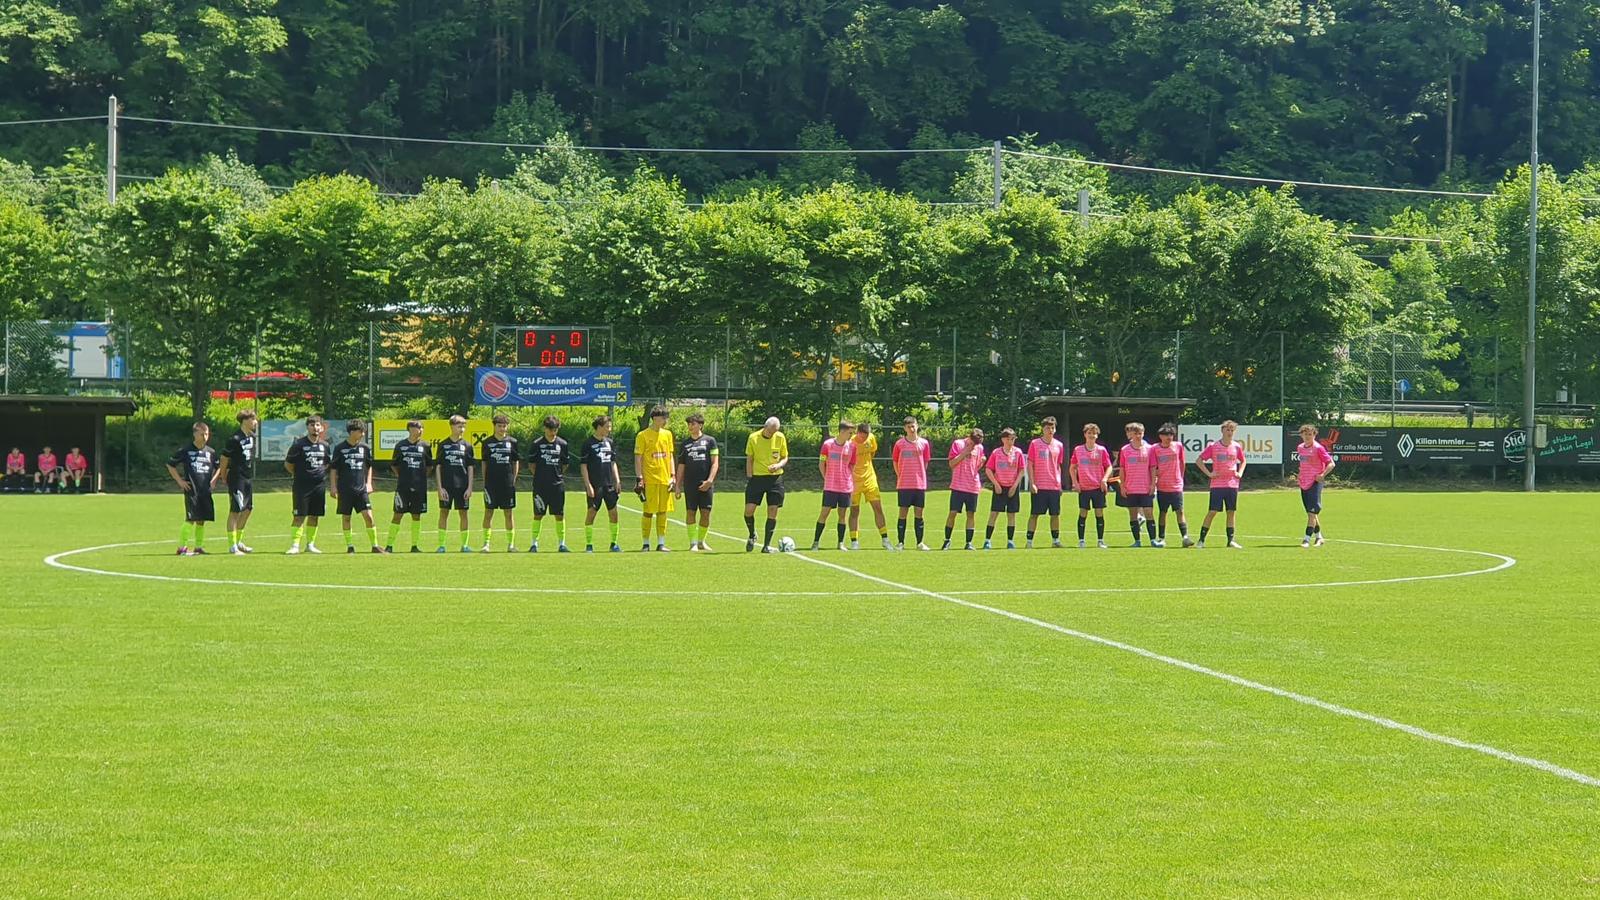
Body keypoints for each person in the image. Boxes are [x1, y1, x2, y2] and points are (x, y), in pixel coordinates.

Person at [166, 422, 220, 555]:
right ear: (195, 434)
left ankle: (199, 546)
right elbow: (170, 464)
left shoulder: (211, 452)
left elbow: (219, 467)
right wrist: (180, 481)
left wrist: (214, 480)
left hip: (205, 490)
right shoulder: (186, 450)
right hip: (192, 489)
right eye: (202, 434)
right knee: (191, 518)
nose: (205, 436)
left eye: (207, 434)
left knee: (202, 519)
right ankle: (182, 547)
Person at [330, 419, 382, 553]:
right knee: (346, 517)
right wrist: (333, 487)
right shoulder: (340, 448)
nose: (363, 434)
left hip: (361, 490)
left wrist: (369, 483)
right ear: (352, 432)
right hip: (345, 489)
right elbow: (334, 469)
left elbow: (369, 466)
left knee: (369, 517)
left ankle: (375, 545)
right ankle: (350, 546)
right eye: (361, 431)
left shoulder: (365, 448)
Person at [1196, 419, 1247, 549]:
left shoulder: (1236, 446)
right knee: (1212, 512)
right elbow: (1199, 460)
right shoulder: (1214, 446)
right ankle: (1201, 540)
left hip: (1232, 484)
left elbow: (1243, 461)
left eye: (1232, 430)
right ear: (1222, 431)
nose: (1229, 432)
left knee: (1231, 512)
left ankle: (1230, 541)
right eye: (1227, 429)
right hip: (1217, 485)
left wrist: (1239, 472)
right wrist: (1209, 474)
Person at [284, 416, 331, 555]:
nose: (315, 428)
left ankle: (310, 544)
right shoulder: (299, 444)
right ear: (307, 427)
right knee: (299, 516)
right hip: (301, 486)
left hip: (319, 486)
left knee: (314, 515)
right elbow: (288, 464)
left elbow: (327, 463)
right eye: (312, 425)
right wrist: (299, 474)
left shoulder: (325, 445)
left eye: (317, 425)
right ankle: (295, 545)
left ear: (321, 427)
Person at [743, 416, 788, 553]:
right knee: (748, 511)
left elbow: (785, 457)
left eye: (775, 431)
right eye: (770, 431)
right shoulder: (753, 438)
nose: (772, 434)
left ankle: (766, 545)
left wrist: (778, 465)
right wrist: (750, 476)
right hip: (757, 479)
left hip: (775, 479)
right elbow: (749, 458)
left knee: (773, 511)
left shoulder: (780, 437)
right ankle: (752, 534)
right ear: (765, 427)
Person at [634, 406, 676, 551]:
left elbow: (670, 456)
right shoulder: (642, 435)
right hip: (649, 479)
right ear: (655, 418)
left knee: (662, 511)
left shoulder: (668, 435)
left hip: (664, 479)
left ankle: (661, 543)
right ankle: (645, 543)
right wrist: (639, 478)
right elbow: (638, 458)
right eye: (663, 418)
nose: (665, 421)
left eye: (666, 418)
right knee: (648, 511)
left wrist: (673, 476)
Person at [676, 412, 719, 551]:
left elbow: (715, 463)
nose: (690, 426)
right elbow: (681, 465)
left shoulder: (710, 441)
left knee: (706, 512)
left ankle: (701, 541)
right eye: (688, 424)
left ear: (700, 425)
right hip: (690, 484)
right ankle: (693, 542)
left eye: (693, 424)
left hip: (706, 483)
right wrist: (678, 485)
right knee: (690, 512)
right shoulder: (685, 444)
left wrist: (710, 481)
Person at [385, 420, 431, 553]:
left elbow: (429, 466)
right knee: (397, 514)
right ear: (410, 429)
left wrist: (421, 477)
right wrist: (402, 476)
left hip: (419, 487)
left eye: (422, 428)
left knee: (416, 515)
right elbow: (394, 464)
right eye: (419, 428)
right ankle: (389, 545)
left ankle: (415, 546)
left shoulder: (426, 446)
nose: (421, 430)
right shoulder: (400, 445)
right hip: (403, 487)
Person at [812, 421, 858, 551]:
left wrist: (847, 478)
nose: (851, 435)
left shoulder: (852, 447)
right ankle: (816, 542)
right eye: (849, 433)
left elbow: (852, 465)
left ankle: (840, 543)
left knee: (842, 515)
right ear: (842, 431)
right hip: (830, 487)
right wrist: (826, 478)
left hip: (845, 487)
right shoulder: (828, 445)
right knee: (824, 513)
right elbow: (821, 463)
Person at [528, 415, 571, 552]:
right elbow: (531, 464)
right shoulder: (537, 444)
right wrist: (540, 476)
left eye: (556, 429)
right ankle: (534, 544)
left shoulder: (562, 444)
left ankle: (561, 544)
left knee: (559, 514)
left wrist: (556, 475)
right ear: (545, 428)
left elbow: (564, 465)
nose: (553, 432)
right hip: (540, 486)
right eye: (551, 429)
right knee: (538, 514)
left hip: (557, 485)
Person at [217, 409, 258, 554]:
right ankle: (232, 545)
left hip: (247, 478)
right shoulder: (234, 439)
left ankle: (239, 541)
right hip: (236, 477)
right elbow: (224, 458)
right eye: (253, 419)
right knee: (235, 510)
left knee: (248, 509)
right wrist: (223, 475)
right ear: (245, 421)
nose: (255, 422)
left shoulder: (252, 436)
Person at [580, 415, 623, 552]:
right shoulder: (588, 443)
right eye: (607, 427)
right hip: (595, 485)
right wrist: (588, 485)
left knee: (614, 514)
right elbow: (583, 466)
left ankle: (614, 544)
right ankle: (589, 544)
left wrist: (617, 480)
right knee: (591, 513)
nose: (609, 429)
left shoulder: (609, 442)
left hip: (609, 485)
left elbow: (612, 462)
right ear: (599, 427)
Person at [847, 423, 892, 550]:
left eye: (867, 436)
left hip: (870, 479)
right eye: (863, 436)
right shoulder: (850, 442)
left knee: (878, 508)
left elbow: (872, 453)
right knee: (854, 511)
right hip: (854, 481)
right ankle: (854, 541)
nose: (865, 439)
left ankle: (885, 539)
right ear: (858, 433)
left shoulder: (871, 438)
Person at [434, 415, 475, 553]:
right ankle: (442, 545)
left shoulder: (467, 446)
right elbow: (438, 467)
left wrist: (470, 487)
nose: (462, 429)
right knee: (444, 513)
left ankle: (464, 545)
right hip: (446, 486)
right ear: (451, 426)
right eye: (459, 426)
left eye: (463, 426)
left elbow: (470, 467)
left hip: (462, 486)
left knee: (463, 514)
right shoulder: (443, 445)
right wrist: (439, 488)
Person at [479, 414, 520, 553]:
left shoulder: (512, 442)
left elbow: (515, 462)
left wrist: (513, 479)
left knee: (508, 513)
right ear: (494, 426)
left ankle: (511, 544)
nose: (502, 429)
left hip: (507, 484)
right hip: (491, 484)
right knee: (488, 512)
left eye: (504, 426)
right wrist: (485, 481)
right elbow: (484, 462)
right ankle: (486, 544)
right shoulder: (487, 443)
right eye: (499, 426)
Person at [1070, 423, 1113, 549]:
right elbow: (1072, 468)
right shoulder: (1078, 450)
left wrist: (1104, 479)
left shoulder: (1101, 450)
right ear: (1085, 434)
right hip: (1084, 488)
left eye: (1094, 433)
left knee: (1099, 513)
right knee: (1083, 513)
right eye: (1089, 433)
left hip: (1097, 487)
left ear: (1097, 435)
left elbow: (1109, 466)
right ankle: (1081, 541)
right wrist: (1075, 482)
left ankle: (1100, 541)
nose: (1091, 435)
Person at [941, 428, 985, 550]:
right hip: (958, 485)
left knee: (971, 514)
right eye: (972, 442)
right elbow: (951, 464)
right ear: (969, 437)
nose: (973, 445)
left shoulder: (979, 448)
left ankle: (969, 543)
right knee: (952, 513)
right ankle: (947, 540)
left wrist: (982, 462)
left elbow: (976, 467)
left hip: (972, 486)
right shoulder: (958, 444)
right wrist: (965, 452)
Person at [892, 417, 932, 550]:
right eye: (908, 426)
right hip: (904, 484)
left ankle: (919, 543)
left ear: (917, 426)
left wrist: (920, 474)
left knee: (919, 513)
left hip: (919, 484)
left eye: (913, 426)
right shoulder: (899, 444)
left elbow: (925, 461)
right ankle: (900, 543)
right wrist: (900, 475)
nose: (911, 428)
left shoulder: (924, 443)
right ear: (905, 428)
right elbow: (895, 461)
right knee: (903, 512)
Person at [1024, 417, 1065, 548]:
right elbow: (1030, 463)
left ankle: (1055, 541)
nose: (1050, 430)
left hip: (1053, 486)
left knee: (1055, 514)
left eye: (1052, 427)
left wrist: (1059, 484)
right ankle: (1029, 542)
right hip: (1039, 485)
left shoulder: (1059, 445)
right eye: (1048, 428)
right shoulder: (1035, 444)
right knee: (1034, 514)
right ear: (1043, 429)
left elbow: (1058, 465)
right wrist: (1032, 482)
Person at [1117, 422, 1158, 548]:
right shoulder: (1125, 450)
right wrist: (1122, 486)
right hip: (1131, 488)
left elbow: (1152, 468)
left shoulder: (1150, 449)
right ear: (1131, 435)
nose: (1139, 436)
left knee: (1149, 513)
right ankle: (1137, 541)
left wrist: (1153, 484)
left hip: (1145, 488)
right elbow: (1122, 469)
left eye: (1141, 433)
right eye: (1136, 433)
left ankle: (1152, 540)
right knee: (1133, 514)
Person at [1151, 423, 1192, 548]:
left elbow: (1182, 462)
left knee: (1180, 511)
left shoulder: (1178, 446)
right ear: (1160, 436)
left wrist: (1180, 477)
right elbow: (1153, 466)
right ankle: (1162, 537)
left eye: (1171, 434)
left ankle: (1185, 537)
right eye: (1166, 435)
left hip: (1176, 485)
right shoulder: (1155, 449)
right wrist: (1154, 480)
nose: (1169, 437)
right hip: (1162, 485)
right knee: (1163, 512)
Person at [983, 428, 1024, 549]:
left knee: (1011, 514)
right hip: (999, 487)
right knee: (994, 513)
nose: (1012, 440)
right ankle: (987, 540)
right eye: (1010, 438)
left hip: (1012, 487)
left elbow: (1021, 470)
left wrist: (1015, 486)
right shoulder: (996, 453)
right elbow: (988, 469)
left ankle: (1010, 541)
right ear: (1003, 439)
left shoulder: (1018, 452)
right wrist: (995, 484)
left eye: (1013, 438)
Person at [1296, 424, 1336, 548]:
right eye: (1305, 434)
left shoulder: (1318, 448)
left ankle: (1306, 539)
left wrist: (1322, 474)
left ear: (1314, 435)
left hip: (1315, 482)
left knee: (1312, 512)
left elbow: (1331, 464)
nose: (1307, 436)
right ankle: (1319, 537)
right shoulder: (1300, 448)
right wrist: (1300, 474)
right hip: (1304, 482)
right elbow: (1303, 464)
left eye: (1310, 434)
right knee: (1310, 513)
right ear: (1301, 435)